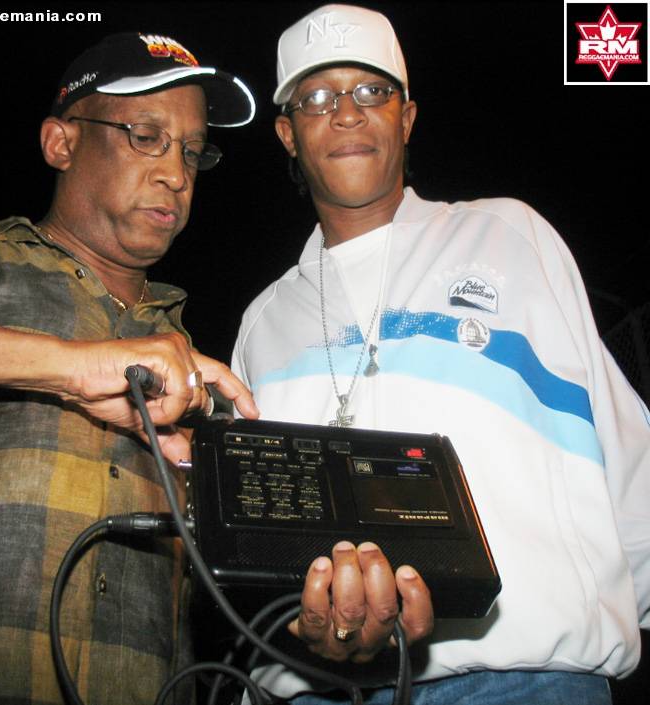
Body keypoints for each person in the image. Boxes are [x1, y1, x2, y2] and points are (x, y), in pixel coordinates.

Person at [232, 4, 650, 704]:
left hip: (520, 678)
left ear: (406, 118)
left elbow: (626, 456)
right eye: (317, 97)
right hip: (312, 691)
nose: (346, 113)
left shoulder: (509, 236)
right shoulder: (263, 322)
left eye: (371, 91)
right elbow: (250, 538)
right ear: (287, 134)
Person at [0, 31, 266, 705]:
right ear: (61, 143)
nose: (176, 173)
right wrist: (72, 366)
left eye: (192, 151)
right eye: (146, 137)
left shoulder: (195, 364)